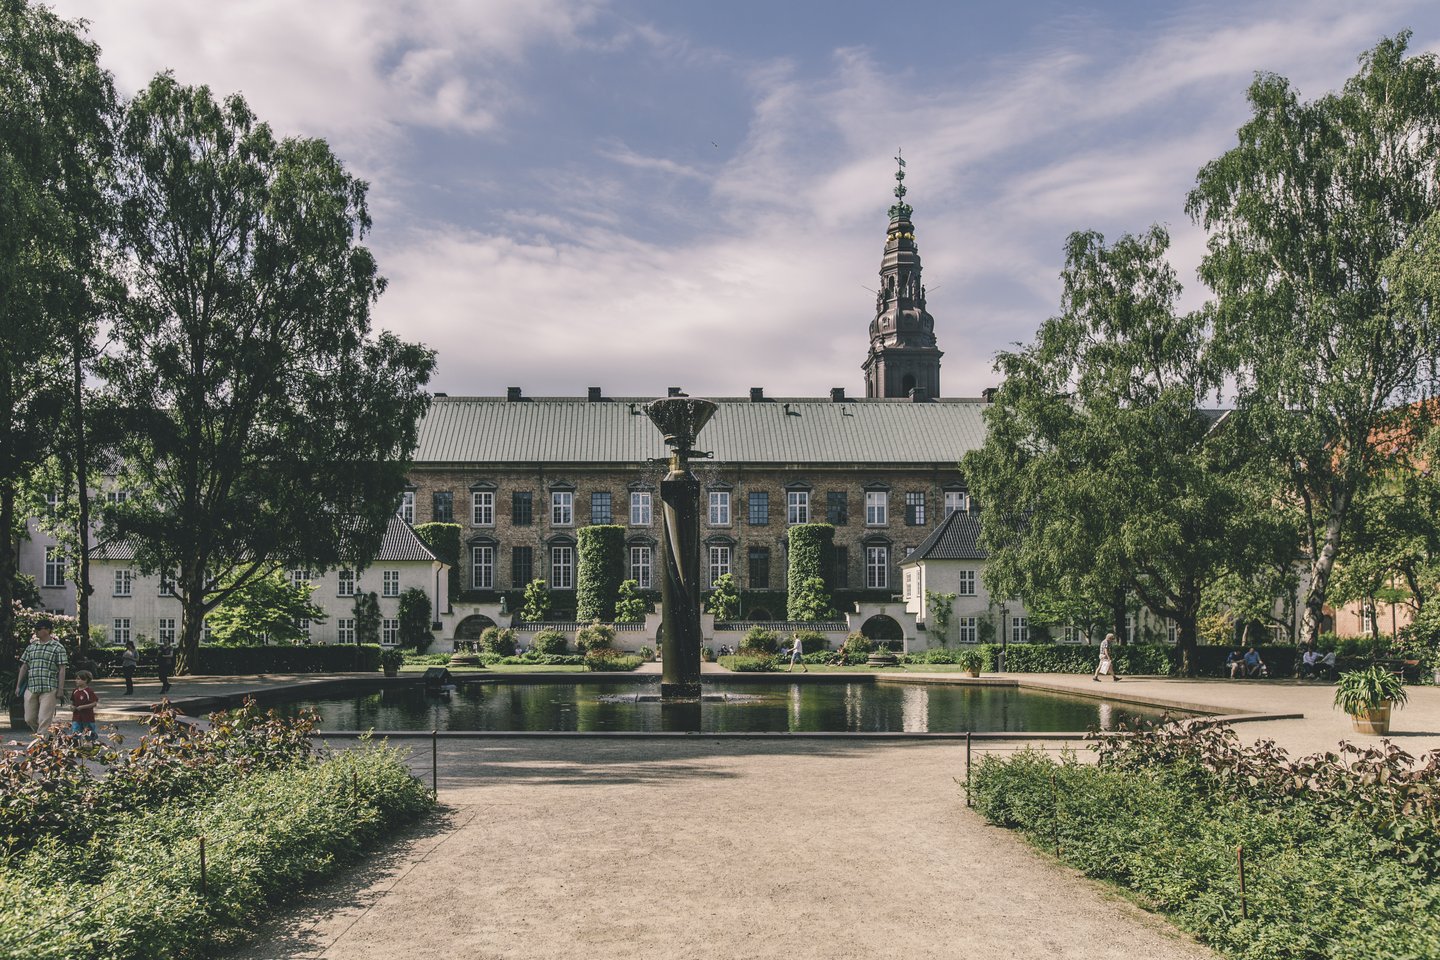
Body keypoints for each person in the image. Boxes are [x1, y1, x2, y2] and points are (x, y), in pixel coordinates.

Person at [15, 618, 68, 734]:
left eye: (39, 629)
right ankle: (46, 738)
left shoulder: (58, 648)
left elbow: (62, 669)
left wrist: (60, 689)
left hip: (49, 688)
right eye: (36, 629)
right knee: (29, 719)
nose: (36, 631)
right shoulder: (31, 647)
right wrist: (18, 686)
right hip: (31, 687)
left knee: (44, 719)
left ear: (48, 630)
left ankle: (41, 745)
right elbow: (24, 666)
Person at [70, 671, 99, 739]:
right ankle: (76, 747)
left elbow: (94, 703)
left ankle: (90, 747)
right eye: (76, 679)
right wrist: (72, 707)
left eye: (78, 679)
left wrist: (83, 707)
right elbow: (72, 702)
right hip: (76, 717)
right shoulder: (75, 691)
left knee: (89, 735)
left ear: (85, 680)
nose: (76, 681)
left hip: (87, 718)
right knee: (75, 734)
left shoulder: (89, 691)